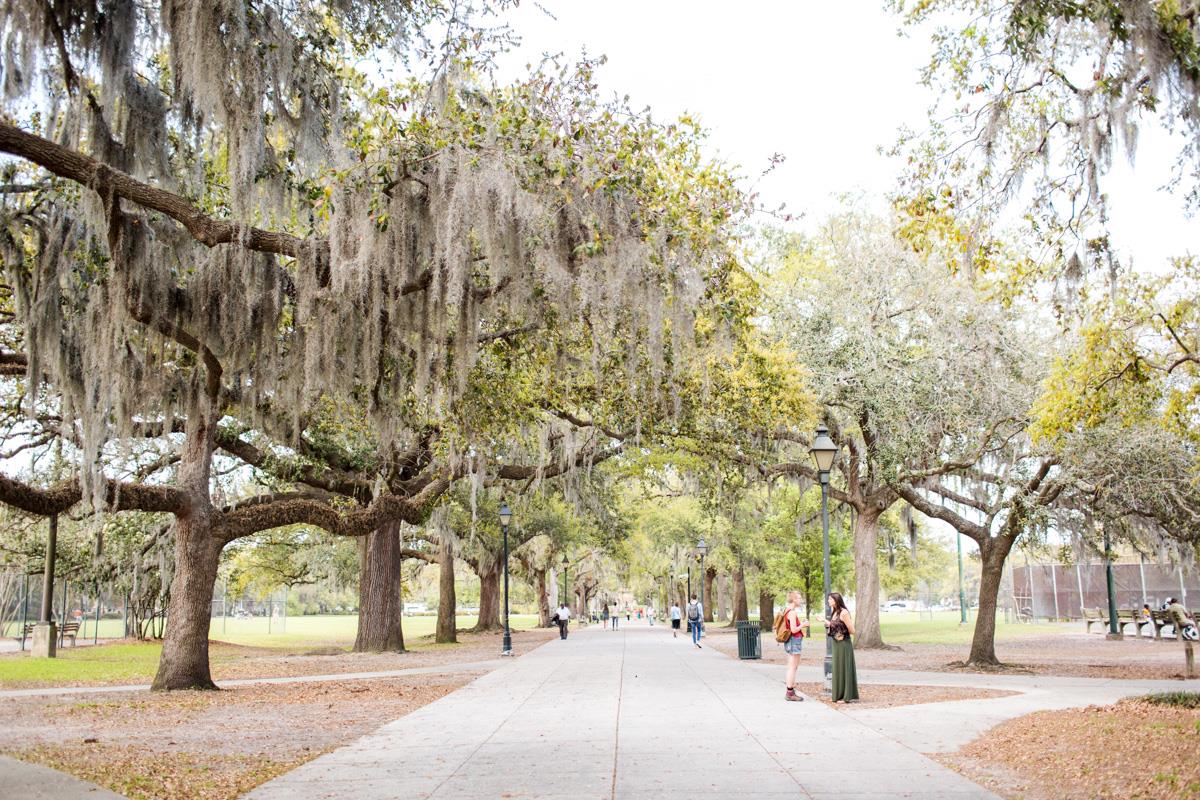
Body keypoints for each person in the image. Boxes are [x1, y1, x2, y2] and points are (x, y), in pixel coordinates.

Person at [823, 592, 858, 702]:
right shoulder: (834, 612)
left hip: (844, 644)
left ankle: (846, 696)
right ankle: (838, 694)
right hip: (836, 644)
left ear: (836, 600)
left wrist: (840, 632)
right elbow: (835, 625)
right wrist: (827, 623)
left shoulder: (844, 612)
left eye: (830, 599)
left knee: (844, 668)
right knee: (838, 668)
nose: (828, 601)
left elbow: (852, 630)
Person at [778, 591, 809, 702]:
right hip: (794, 641)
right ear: (794, 599)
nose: (801, 600)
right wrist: (803, 625)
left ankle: (790, 690)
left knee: (793, 667)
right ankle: (790, 693)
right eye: (799, 598)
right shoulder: (792, 612)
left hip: (792, 641)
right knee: (792, 667)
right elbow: (794, 630)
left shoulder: (787, 610)